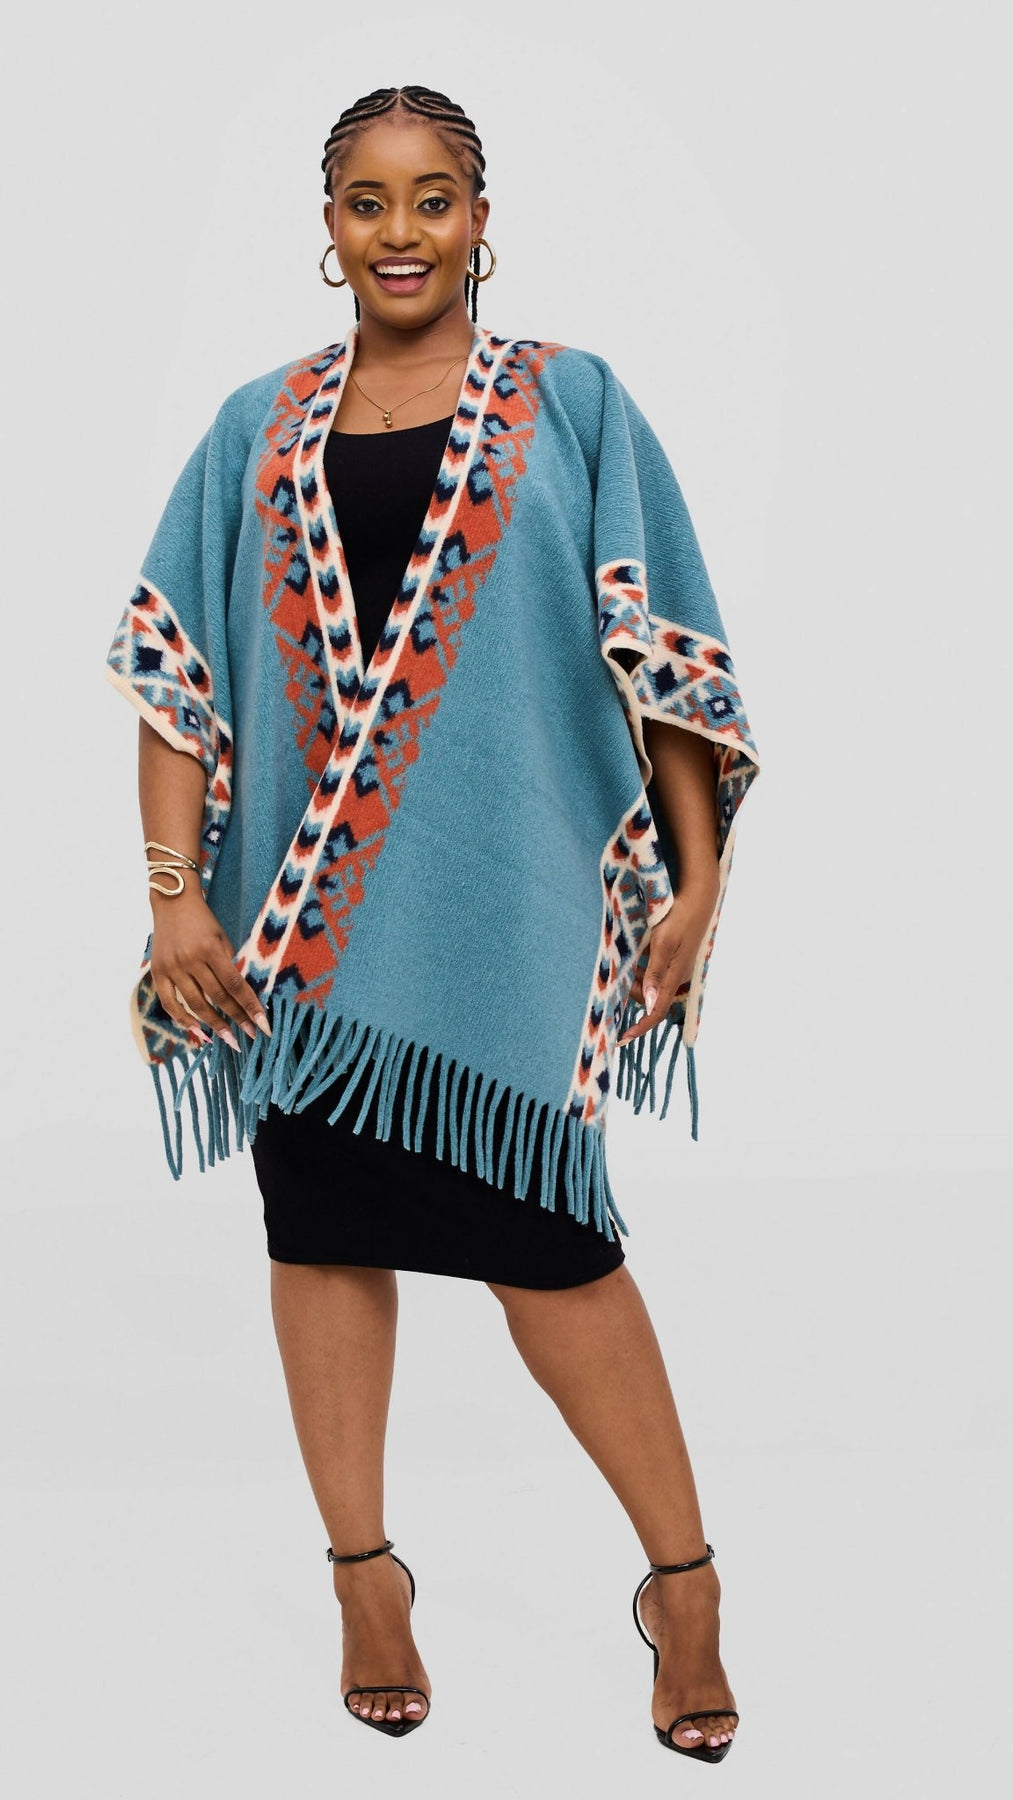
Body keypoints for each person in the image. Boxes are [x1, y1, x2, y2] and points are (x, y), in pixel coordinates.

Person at [104, 84, 760, 1757]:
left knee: (557, 1255)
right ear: (326, 226)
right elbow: (177, 674)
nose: (400, 233)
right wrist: (174, 903)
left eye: (433, 198)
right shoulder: (256, 427)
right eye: (366, 201)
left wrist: (697, 882)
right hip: (301, 948)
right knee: (321, 1235)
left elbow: (660, 649)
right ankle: (364, 1576)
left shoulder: (571, 402)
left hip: (513, 920)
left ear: (481, 216)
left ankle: (681, 1585)